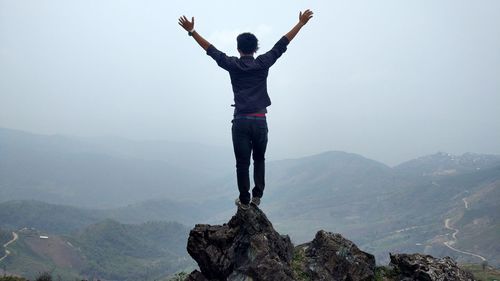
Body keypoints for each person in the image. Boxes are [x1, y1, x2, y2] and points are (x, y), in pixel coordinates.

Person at [178, 9, 314, 210]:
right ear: (255, 48)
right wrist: (301, 24)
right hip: (260, 121)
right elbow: (282, 44)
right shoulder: (263, 63)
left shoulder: (233, 64)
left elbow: (210, 49)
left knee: (242, 163)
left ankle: (244, 200)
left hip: (241, 121)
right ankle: (257, 196)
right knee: (259, 158)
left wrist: (192, 32)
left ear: (238, 48)